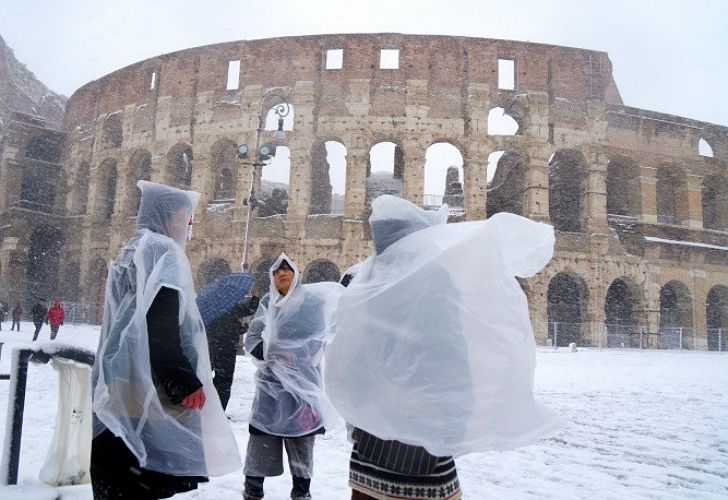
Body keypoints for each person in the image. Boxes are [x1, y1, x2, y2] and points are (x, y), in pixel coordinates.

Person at [326, 195, 561, 500]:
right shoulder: (407, 278)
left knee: (379, 491)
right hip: (413, 414)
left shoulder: (368, 278)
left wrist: (359, 403)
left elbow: (349, 352)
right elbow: (451, 348)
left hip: (387, 421)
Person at [91, 180, 240, 499]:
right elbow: (158, 323)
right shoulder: (164, 253)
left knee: (121, 463)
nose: (190, 226)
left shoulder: (132, 248)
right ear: (167, 216)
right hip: (151, 380)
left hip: (121, 374)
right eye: (186, 217)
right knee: (146, 467)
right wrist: (182, 380)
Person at [243, 254, 341, 500]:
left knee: (301, 442)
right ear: (272, 278)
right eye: (277, 271)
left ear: (296, 274)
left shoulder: (310, 302)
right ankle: (253, 490)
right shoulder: (268, 302)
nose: (282, 274)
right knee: (261, 440)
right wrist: (266, 351)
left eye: (287, 269)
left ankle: (301, 492)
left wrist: (290, 352)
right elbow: (254, 337)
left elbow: (317, 338)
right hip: (270, 386)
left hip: (301, 386)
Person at [206, 288, 260, 410]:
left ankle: (209, 408)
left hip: (211, 348)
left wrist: (240, 328)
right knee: (224, 381)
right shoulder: (231, 307)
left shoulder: (209, 311)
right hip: (227, 350)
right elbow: (250, 310)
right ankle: (219, 409)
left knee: (209, 379)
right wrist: (255, 297)